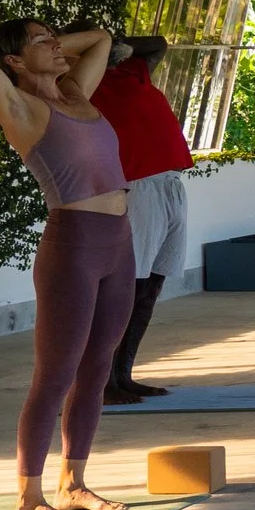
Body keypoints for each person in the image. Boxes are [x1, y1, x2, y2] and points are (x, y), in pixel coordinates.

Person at [0, 20, 136, 510]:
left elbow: (100, 38)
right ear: (12, 62)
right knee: (55, 375)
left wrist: (45, 48)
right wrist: (7, 54)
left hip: (119, 242)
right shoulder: (21, 109)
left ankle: (73, 484)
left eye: (56, 38)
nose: (57, 46)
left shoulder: (77, 93)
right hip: (73, 246)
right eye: (42, 41)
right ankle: (28, 501)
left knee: (98, 367)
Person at [88, 32, 194, 405]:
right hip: (137, 187)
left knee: (150, 288)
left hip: (170, 183)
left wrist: (110, 44)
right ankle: (103, 382)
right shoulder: (78, 83)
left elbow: (158, 43)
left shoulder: (130, 72)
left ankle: (124, 375)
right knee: (125, 290)